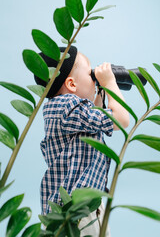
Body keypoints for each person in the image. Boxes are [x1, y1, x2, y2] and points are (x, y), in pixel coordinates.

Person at [34, 45, 129, 236]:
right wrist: (110, 83)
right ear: (72, 84)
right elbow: (122, 119)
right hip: (75, 212)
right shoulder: (67, 106)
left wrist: (100, 95)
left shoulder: (63, 108)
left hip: (80, 205)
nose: (95, 79)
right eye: (90, 74)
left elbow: (91, 122)